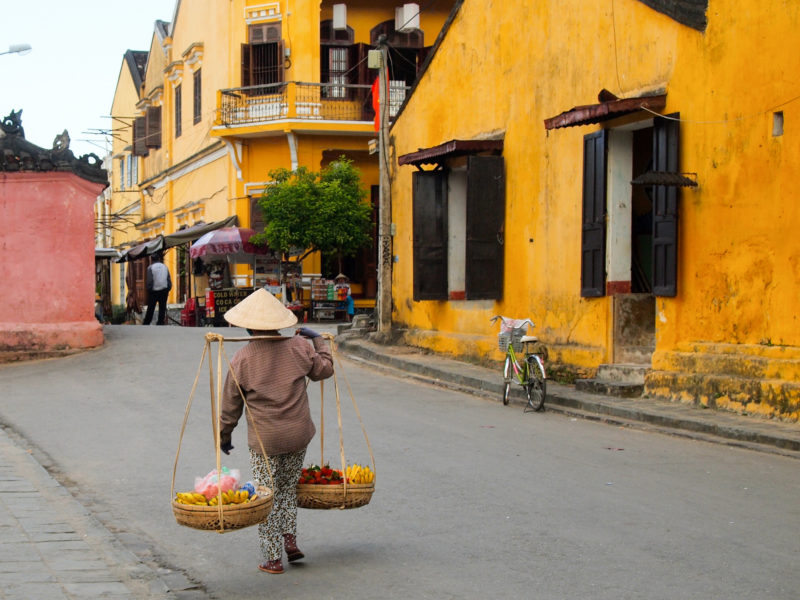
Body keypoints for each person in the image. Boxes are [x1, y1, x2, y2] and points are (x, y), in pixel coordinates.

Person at [219, 288, 333, 574]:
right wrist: (318, 340)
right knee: (286, 489)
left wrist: (225, 434)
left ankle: (272, 558)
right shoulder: (299, 347)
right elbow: (324, 370)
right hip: (298, 435)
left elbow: (230, 404)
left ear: (247, 327)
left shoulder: (242, 358)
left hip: (265, 440)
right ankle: (289, 541)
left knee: (267, 493)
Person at [143, 252, 171, 325]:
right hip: (164, 290)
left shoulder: (150, 268)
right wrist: (168, 288)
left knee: (151, 308)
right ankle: (160, 322)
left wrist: (149, 289)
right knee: (162, 307)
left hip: (154, 291)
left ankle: (147, 322)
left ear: (151, 259)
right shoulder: (165, 267)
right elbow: (168, 278)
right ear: (159, 259)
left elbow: (149, 280)